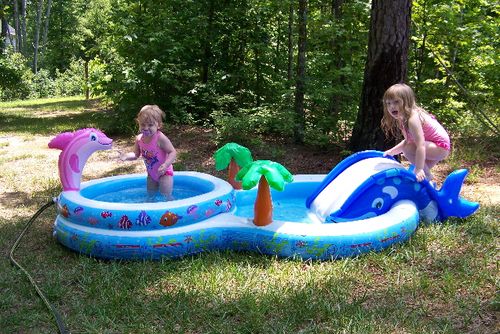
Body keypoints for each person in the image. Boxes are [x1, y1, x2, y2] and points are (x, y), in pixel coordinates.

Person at [381, 83, 451, 183]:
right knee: (416, 177)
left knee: (409, 151)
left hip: (439, 147)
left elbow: (420, 145)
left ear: (407, 102)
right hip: (431, 145)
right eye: (388, 103)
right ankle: (427, 184)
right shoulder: (402, 118)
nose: (392, 106)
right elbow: (407, 141)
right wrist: (391, 152)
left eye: (396, 102)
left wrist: (419, 169)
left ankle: (428, 175)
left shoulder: (412, 119)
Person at [120, 105, 177, 200]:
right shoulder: (139, 139)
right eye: (143, 124)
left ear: (158, 125)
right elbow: (136, 154)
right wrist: (126, 156)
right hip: (151, 174)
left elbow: (172, 152)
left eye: (150, 125)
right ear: (139, 123)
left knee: (166, 196)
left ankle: (173, 212)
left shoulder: (160, 138)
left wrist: (166, 164)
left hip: (164, 173)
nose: (146, 128)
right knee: (150, 196)